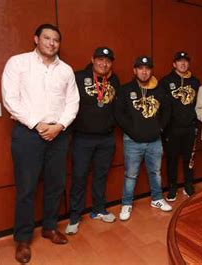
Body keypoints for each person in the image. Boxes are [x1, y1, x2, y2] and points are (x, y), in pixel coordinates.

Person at [1, 24, 79, 263]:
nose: (52, 43)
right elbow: (10, 98)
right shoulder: (18, 63)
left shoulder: (66, 70)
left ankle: (49, 227)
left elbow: (72, 102)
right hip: (27, 135)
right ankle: (23, 239)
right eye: (47, 38)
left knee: (56, 185)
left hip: (59, 134)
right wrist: (37, 124)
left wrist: (59, 126)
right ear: (36, 39)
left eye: (56, 39)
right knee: (26, 188)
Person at [65, 47, 120, 235]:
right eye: (100, 59)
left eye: (108, 61)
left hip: (106, 138)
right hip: (83, 138)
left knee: (101, 176)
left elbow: (117, 107)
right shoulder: (78, 77)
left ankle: (99, 209)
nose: (104, 64)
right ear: (92, 59)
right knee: (79, 177)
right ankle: (75, 215)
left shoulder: (114, 80)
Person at [115, 56, 172, 221]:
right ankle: (126, 203)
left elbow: (167, 111)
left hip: (154, 140)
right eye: (140, 68)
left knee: (155, 172)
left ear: (151, 71)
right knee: (131, 174)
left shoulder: (159, 90)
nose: (144, 72)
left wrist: (159, 128)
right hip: (132, 141)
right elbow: (119, 114)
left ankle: (157, 199)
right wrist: (132, 131)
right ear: (135, 70)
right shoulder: (126, 89)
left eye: (147, 68)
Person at [160, 51, 200, 201]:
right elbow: (163, 107)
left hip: (190, 128)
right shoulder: (165, 81)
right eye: (179, 61)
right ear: (174, 64)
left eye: (185, 61)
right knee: (172, 159)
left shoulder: (195, 82)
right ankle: (172, 187)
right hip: (172, 129)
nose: (183, 64)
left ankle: (188, 185)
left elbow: (198, 104)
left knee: (189, 158)